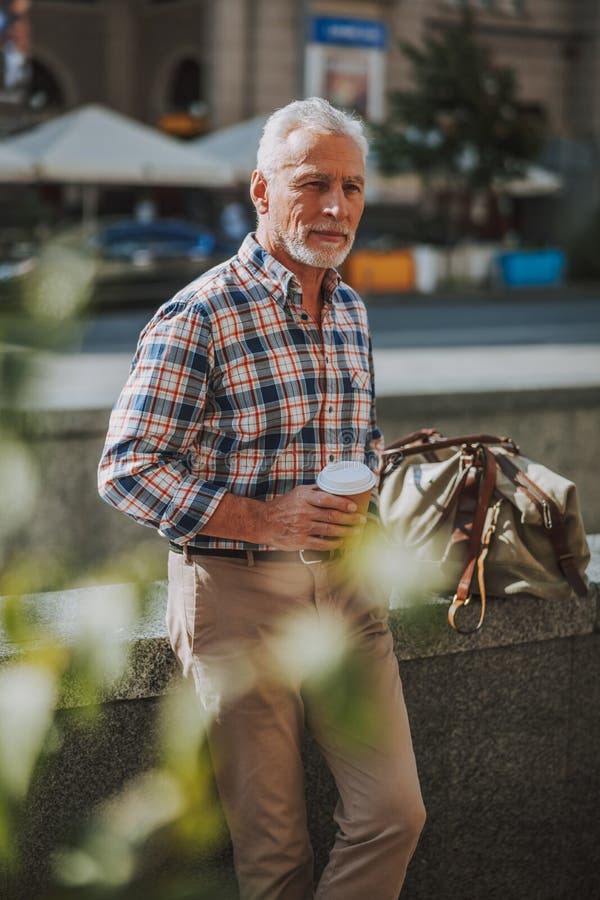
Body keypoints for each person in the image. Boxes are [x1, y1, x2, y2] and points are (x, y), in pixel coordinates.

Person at [98, 97, 425, 900]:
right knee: (274, 855)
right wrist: (265, 517)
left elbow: (362, 439)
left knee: (394, 814)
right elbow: (126, 466)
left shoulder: (349, 307)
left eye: (350, 188)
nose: (335, 207)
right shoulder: (198, 314)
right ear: (261, 190)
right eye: (313, 183)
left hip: (346, 591)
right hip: (236, 595)